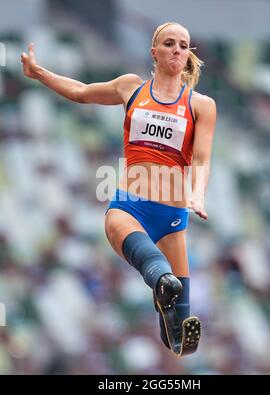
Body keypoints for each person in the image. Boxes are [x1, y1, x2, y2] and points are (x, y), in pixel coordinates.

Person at [21, 21, 216, 357]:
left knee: (178, 340)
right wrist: (41, 74)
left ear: (188, 56)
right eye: (169, 44)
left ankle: (166, 307)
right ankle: (161, 283)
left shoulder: (201, 105)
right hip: (130, 205)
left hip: (172, 217)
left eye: (184, 46)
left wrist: (197, 194)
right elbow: (81, 92)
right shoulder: (131, 88)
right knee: (159, 272)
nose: (177, 50)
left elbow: (201, 158)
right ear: (154, 52)